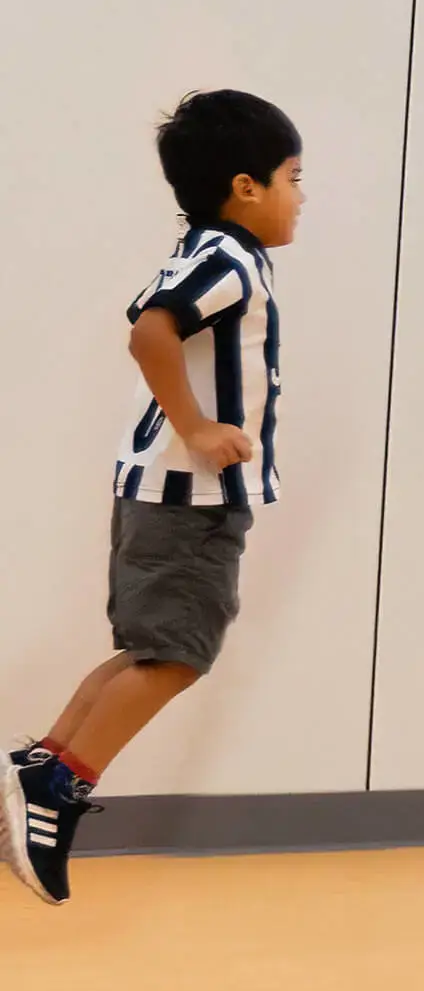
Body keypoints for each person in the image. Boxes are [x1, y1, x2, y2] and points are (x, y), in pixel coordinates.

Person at [5, 91, 302, 905]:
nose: (300, 195)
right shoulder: (230, 259)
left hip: (167, 491)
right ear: (246, 186)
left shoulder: (213, 249)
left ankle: (40, 767)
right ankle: (55, 785)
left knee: (152, 647)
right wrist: (199, 426)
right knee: (176, 654)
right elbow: (150, 332)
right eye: (292, 177)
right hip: (189, 497)